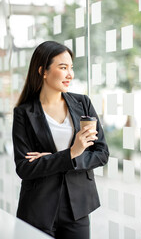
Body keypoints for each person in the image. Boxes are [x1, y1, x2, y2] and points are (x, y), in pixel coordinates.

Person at [12, 41, 109, 239]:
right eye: (63, 68)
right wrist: (71, 153)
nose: (70, 75)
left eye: (71, 68)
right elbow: (24, 167)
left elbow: (101, 153)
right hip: (38, 208)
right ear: (43, 71)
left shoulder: (83, 104)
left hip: (78, 209)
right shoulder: (24, 113)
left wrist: (57, 158)